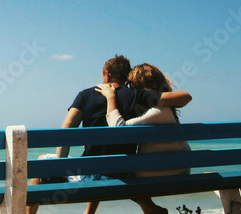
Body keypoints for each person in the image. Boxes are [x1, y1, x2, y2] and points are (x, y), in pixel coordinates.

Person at [26, 55, 192, 214]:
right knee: (104, 166)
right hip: (123, 175)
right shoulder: (138, 96)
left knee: (42, 159)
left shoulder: (85, 95)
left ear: (107, 74)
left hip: (92, 176)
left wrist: (61, 165)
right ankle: (150, 208)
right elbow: (183, 98)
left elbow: (67, 128)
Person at [95, 63, 192, 214]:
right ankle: (152, 210)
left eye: (131, 86)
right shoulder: (166, 108)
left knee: (118, 173)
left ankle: (152, 210)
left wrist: (111, 97)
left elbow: (119, 130)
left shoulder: (155, 112)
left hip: (155, 175)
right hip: (182, 170)